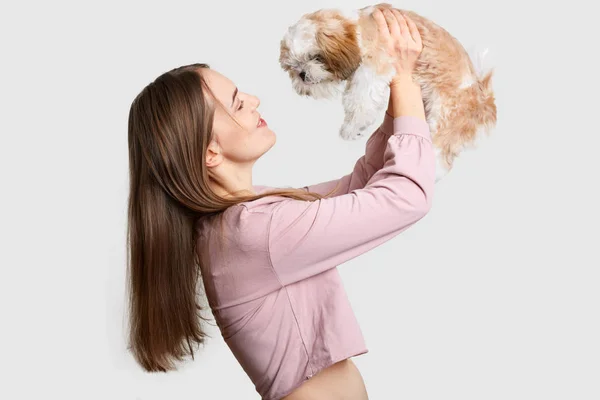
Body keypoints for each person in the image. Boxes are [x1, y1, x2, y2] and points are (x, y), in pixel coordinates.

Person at [126, 8, 434, 400]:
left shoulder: (246, 219)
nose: (254, 100)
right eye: (238, 104)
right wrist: (404, 80)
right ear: (210, 153)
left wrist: (395, 101)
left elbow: (361, 187)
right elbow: (407, 198)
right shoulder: (256, 232)